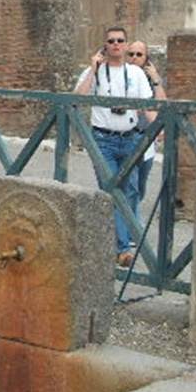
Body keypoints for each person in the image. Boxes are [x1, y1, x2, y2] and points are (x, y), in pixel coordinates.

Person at [74, 27, 153, 267]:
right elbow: (77, 98)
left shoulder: (136, 74)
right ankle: (124, 247)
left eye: (120, 41)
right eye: (111, 41)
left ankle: (122, 244)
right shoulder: (94, 71)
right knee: (112, 191)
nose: (116, 44)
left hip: (129, 138)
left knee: (130, 191)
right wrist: (94, 69)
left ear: (126, 45)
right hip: (103, 140)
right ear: (105, 46)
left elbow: (147, 106)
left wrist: (160, 128)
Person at [127, 40, 167, 203]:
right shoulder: (123, 75)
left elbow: (163, 105)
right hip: (127, 136)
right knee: (130, 185)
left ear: (146, 58)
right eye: (131, 54)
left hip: (147, 138)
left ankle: (131, 218)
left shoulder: (152, 80)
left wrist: (156, 79)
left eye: (139, 54)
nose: (134, 58)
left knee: (140, 185)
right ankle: (129, 223)